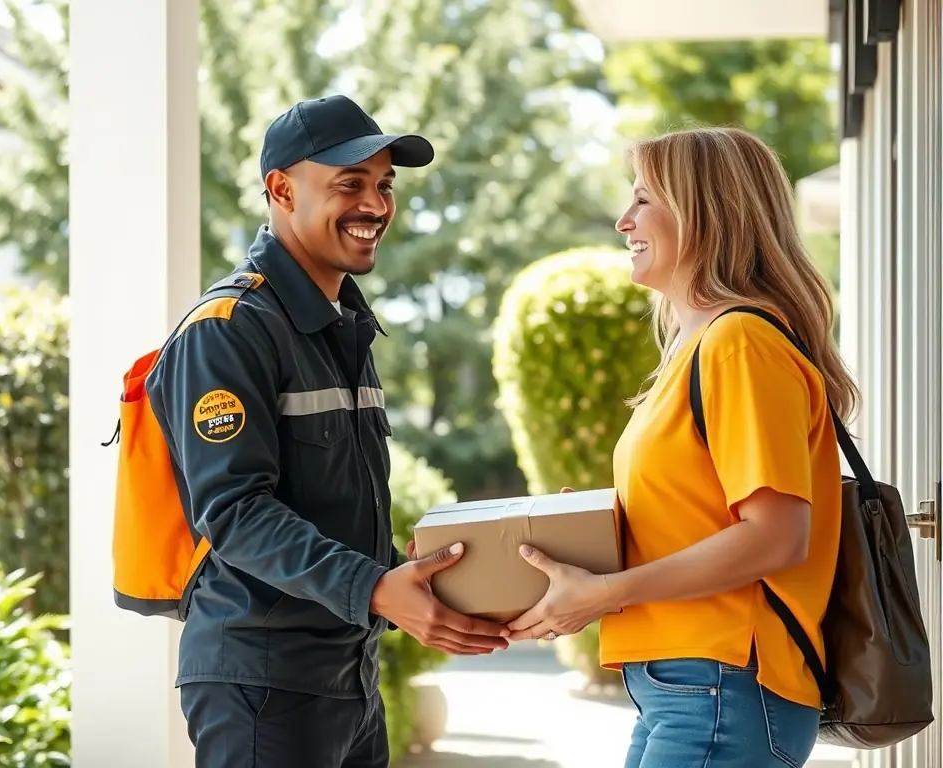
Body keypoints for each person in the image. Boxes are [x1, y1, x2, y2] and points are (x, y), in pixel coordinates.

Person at [146, 94, 510, 768]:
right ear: (281, 190)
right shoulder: (229, 330)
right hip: (261, 686)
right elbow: (235, 513)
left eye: (383, 185)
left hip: (348, 680)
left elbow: (331, 507)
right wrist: (375, 590)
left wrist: (429, 580)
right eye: (350, 183)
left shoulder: (343, 328)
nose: (375, 204)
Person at [504, 126, 857, 767]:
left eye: (643, 199)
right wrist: (593, 535)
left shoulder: (739, 345)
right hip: (686, 684)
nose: (622, 221)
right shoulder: (697, 350)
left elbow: (775, 537)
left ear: (704, 212)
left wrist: (608, 590)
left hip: (721, 683)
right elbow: (700, 516)